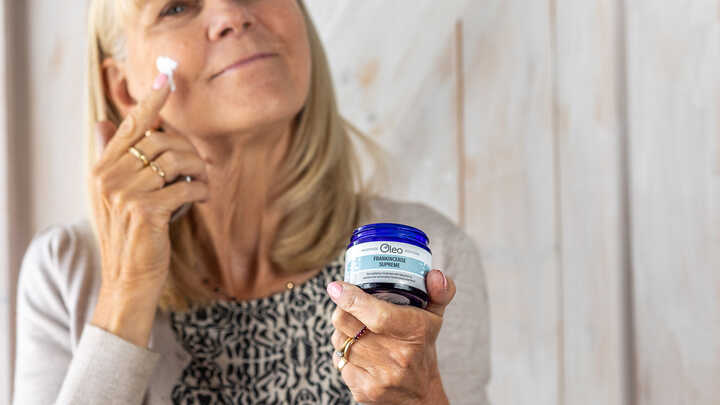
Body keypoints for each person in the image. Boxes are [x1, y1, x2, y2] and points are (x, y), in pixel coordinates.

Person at [12, 1, 490, 404]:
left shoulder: (424, 259)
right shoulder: (64, 271)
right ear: (122, 87)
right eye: (177, 5)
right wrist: (126, 291)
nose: (233, 15)